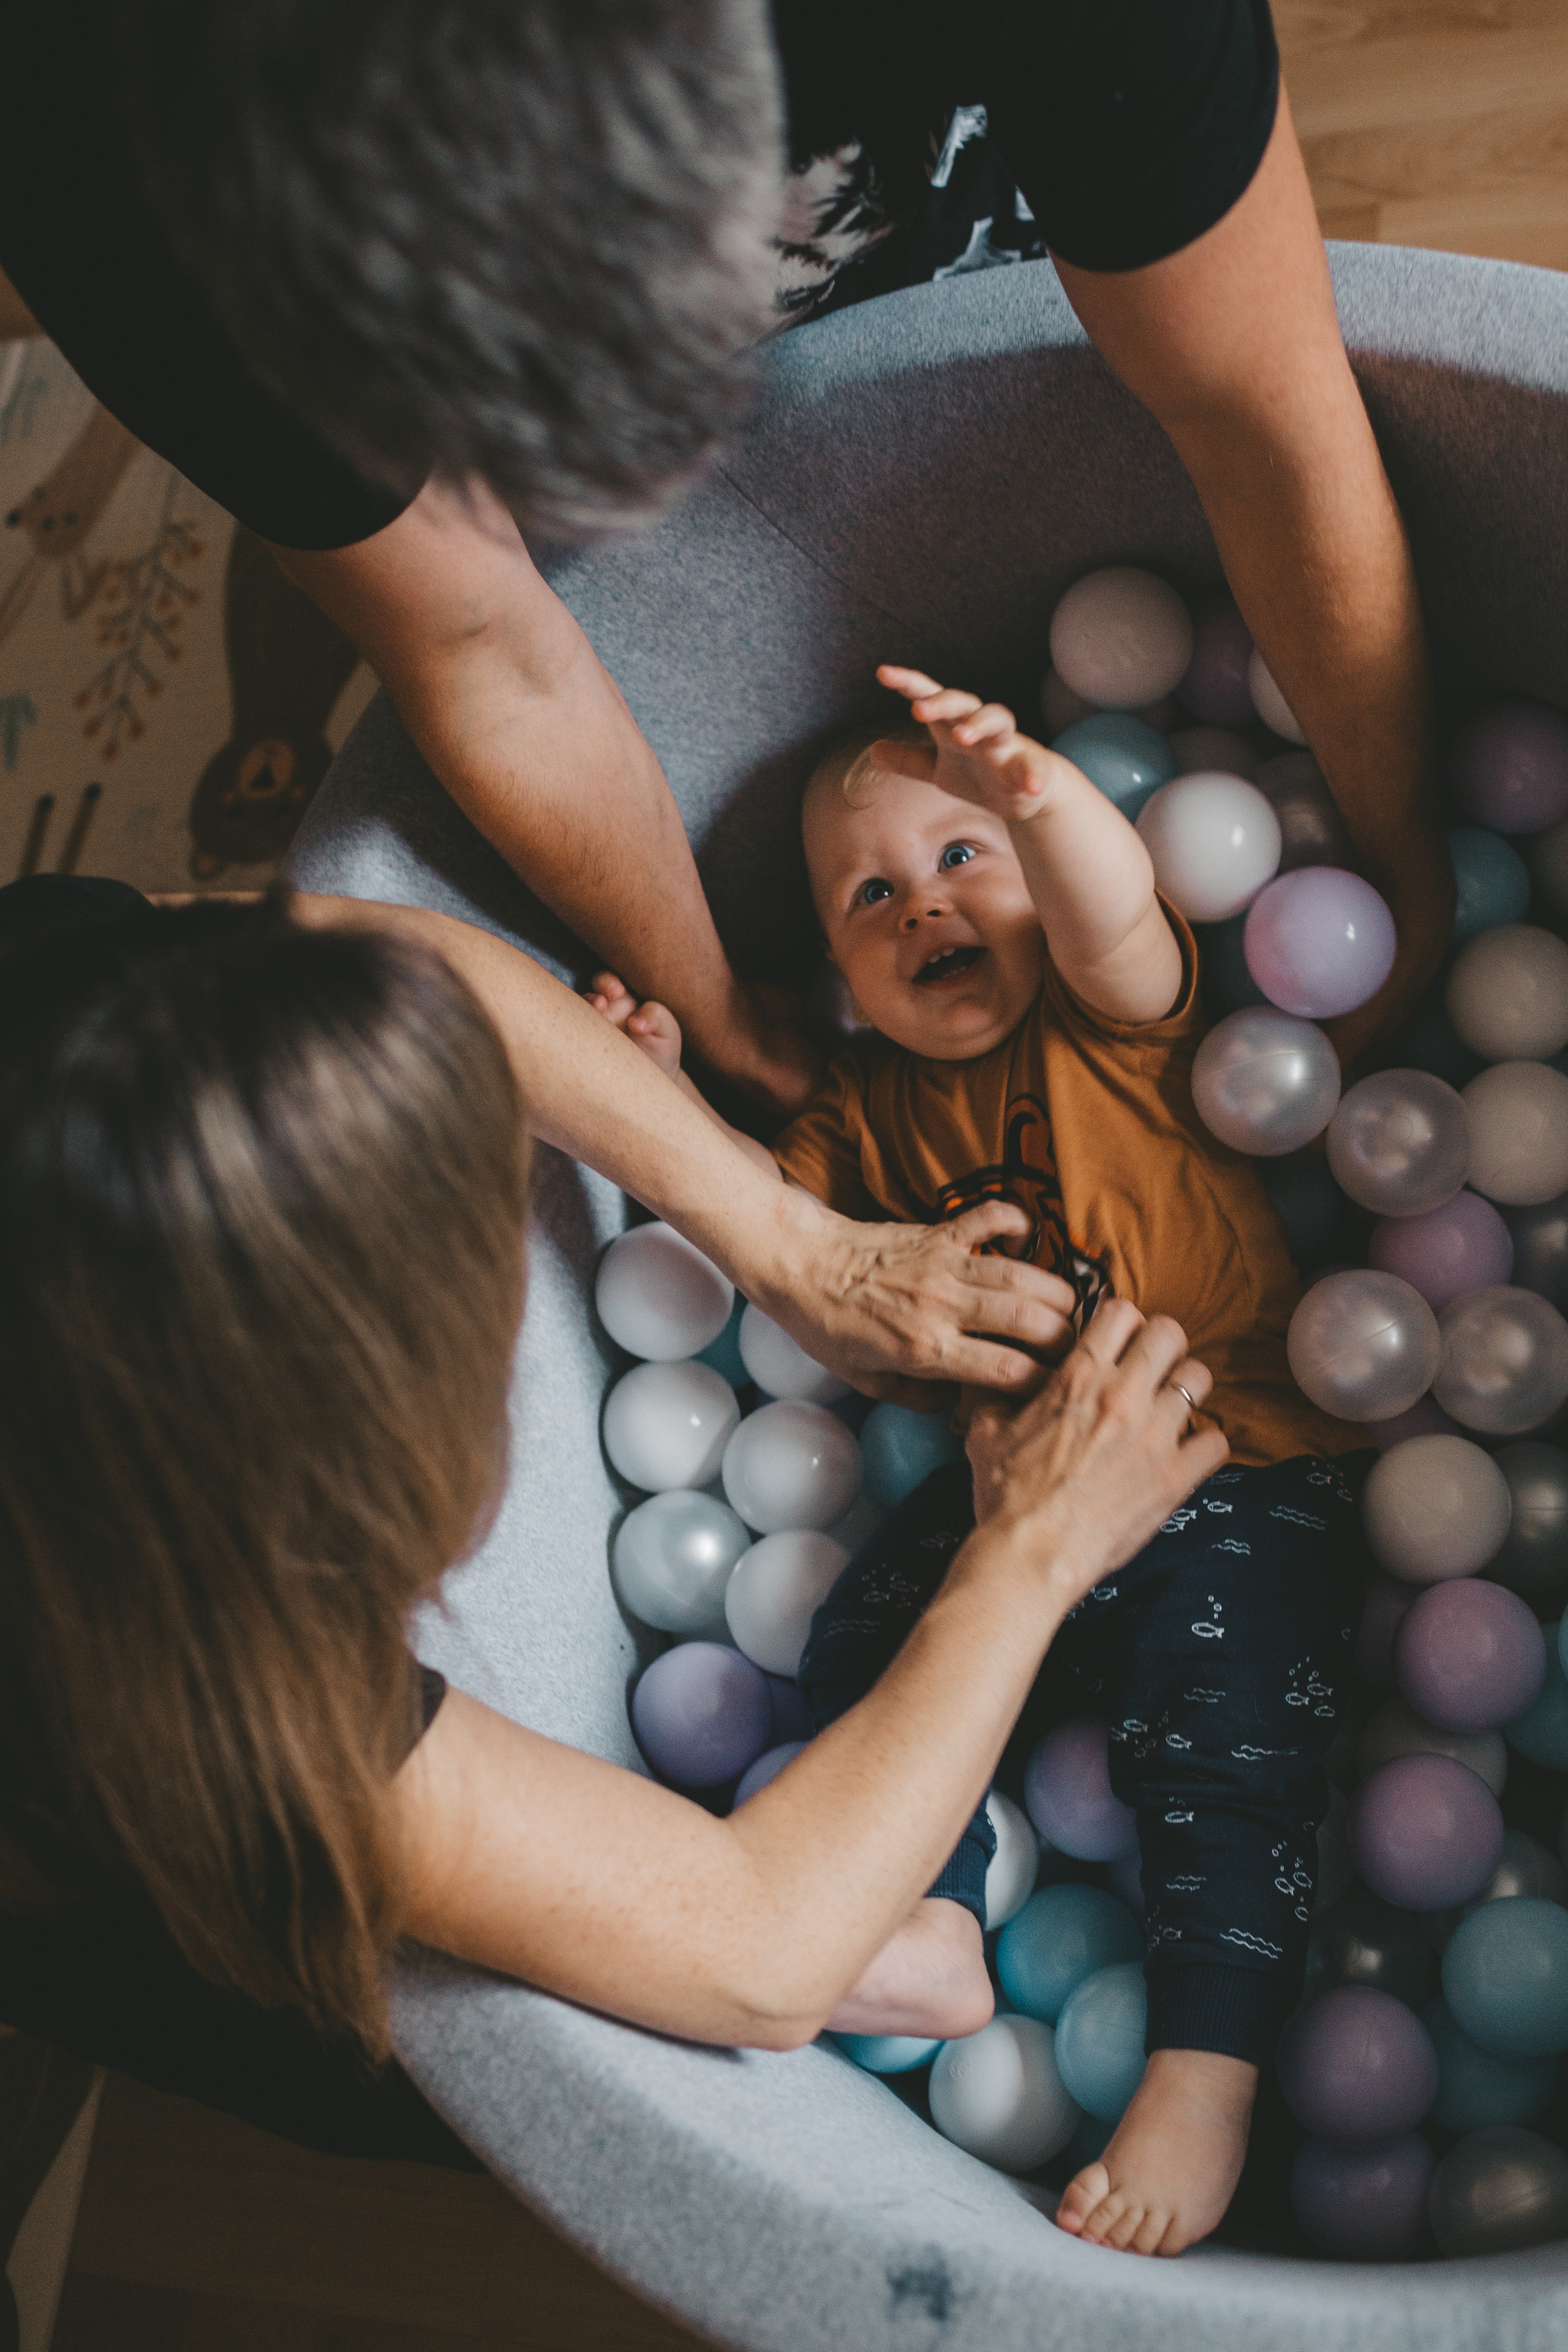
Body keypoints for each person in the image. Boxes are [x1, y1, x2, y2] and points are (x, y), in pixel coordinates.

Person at [1, 0, 1450, 1115]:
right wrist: (727, 1023)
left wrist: (1403, 863)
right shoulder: (101, 143)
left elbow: (1257, 409)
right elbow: (483, 649)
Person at [0, 881, 1223, 2174]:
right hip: (105, 1857)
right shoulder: (161, 1696)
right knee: (427, 2046)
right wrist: (1031, 1548)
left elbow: (397, 963)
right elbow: (758, 1954)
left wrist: (790, 1243)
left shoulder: (65, 1004)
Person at [590, 666, 1374, 2256]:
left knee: (1220, 1757)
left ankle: (1203, 2075)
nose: (921, 907)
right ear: (838, 970)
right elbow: (764, 1230)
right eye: (871, 895)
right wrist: (648, 1099)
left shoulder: (1113, 1026)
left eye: (962, 861)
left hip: (1226, 1459)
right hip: (1006, 1487)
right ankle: (932, 1917)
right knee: (865, 1637)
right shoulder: (866, 1114)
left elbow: (1119, 919)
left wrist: (1044, 797)